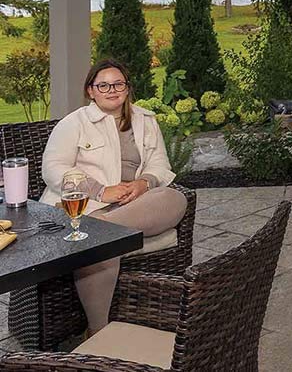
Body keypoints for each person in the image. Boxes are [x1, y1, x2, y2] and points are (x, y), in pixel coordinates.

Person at [41, 59, 187, 334]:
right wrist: (100, 190)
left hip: (134, 206)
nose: (112, 89)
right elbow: (53, 169)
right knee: (104, 244)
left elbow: (160, 164)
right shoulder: (74, 123)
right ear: (90, 91)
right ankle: (98, 331)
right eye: (103, 85)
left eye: (118, 83)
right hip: (87, 208)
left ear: (127, 88)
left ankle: (100, 234)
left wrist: (144, 183)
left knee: (175, 199)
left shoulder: (145, 120)